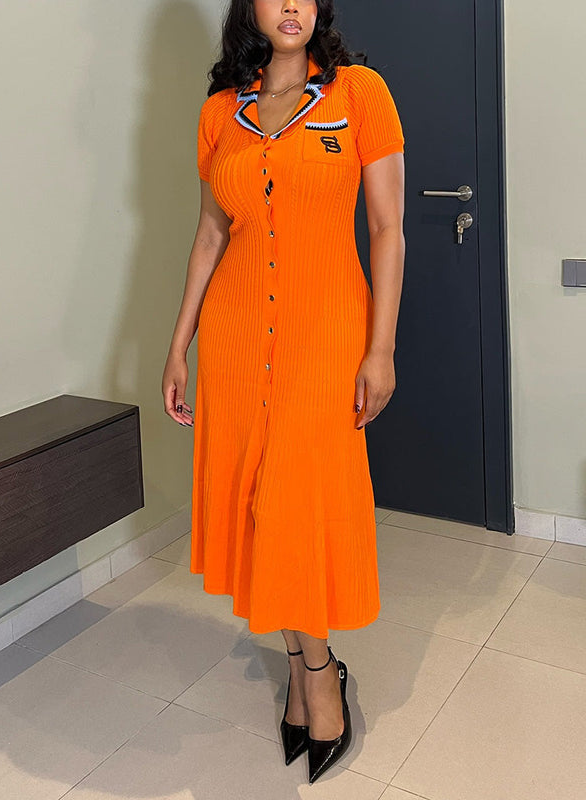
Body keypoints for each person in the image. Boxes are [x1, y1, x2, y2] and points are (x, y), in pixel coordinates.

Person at [162, 0, 405, 784]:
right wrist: (179, 345)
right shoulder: (219, 112)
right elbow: (211, 234)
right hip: (236, 337)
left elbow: (387, 229)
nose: (290, 5)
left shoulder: (359, 94)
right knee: (258, 507)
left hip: (324, 337)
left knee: (297, 503)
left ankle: (319, 673)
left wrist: (381, 348)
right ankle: (308, 671)